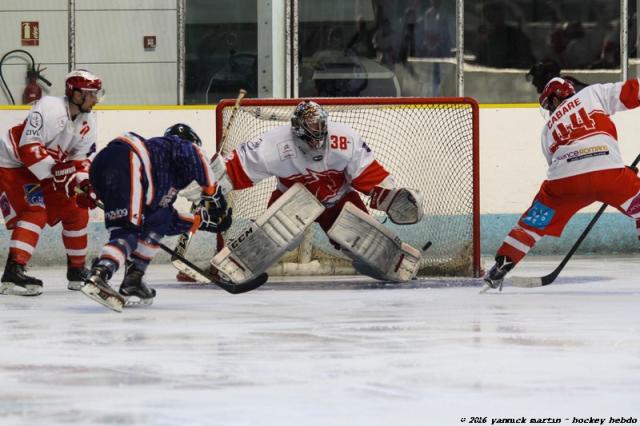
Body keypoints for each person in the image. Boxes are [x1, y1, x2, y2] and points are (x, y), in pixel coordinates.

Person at [204, 100, 424, 284]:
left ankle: (393, 262)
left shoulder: (344, 139)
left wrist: (389, 195)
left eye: (320, 129)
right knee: (278, 238)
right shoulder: (275, 144)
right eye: (311, 132)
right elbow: (235, 169)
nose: (318, 139)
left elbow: (369, 175)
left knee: (359, 247)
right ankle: (234, 264)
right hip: (293, 200)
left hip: (339, 200)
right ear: (297, 130)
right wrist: (210, 184)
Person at [483, 77, 640, 291]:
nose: (550, 110)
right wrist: (619, 176)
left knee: (532, 224)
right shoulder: (592, 94)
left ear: (556, 99)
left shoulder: (547, 129)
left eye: (549, 105)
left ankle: (501, 266)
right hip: (609, 174)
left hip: (564, 183)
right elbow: (633, 90)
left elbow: (556, 162)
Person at [80, 124, 232, 312]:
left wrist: (204, 221)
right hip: (124, 160)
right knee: (126, 232)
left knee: (155, 224)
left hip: (107, 169)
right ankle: (99, 275)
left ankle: (133, 279)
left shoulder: (159, 179)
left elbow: (165, 219)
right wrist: (216, 198)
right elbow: (194, 155)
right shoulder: (176, 146)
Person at [0, 69, 102, 296]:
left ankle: (76, 271)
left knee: (77, 208)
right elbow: (29, 148)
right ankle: (13, 272)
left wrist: (84, 184)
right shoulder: (49, 107)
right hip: (11, 164)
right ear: (75, 94)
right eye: (91, 94)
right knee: (34, 210)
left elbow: (80, 159)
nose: (95, 100)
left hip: (44, 169)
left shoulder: (88, 121)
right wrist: (59, 176)